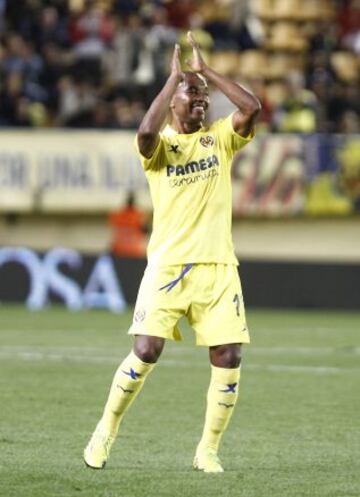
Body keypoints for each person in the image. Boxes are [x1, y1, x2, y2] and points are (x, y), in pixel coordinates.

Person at [84, 31, 260, 473]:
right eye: (192, 96)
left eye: (203, 98)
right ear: (173, 103)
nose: (200, 102)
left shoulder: (219, 139)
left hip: (218, 267)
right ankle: (106, 429)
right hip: (168, 266)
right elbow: (145, 132)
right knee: (146, 350)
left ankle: (208, 450)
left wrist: (206, 75)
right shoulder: (161, 148)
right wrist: (173, 79)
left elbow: (251, 108)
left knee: (229, 356)